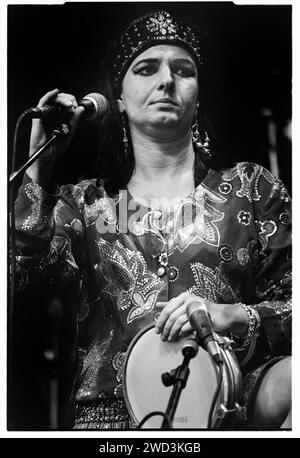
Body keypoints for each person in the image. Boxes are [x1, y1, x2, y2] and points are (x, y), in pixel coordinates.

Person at [14, 10, 291, 430]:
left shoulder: (253, 189)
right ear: (120, 98)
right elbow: (23, 275)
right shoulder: (86, 205)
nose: (167, 80)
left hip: (228, 408)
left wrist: (228, 314)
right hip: (113, 421)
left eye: (183, 70)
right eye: (147, 69)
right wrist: (40, 169)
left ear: (197, 94)